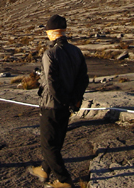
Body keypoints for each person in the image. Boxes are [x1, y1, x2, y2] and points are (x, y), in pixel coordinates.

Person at [28, 15, 89, 188]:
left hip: (51, 105)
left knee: (48, 145)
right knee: (57, 140)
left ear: (53, 33)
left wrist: (65, 101)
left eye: (47, 31)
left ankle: (63, 180)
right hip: (67, 106)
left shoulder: (50, 54)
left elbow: (52, 84)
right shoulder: (76, 51)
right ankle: (45, 169)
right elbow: (83, 79)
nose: (46, 33)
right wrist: (75, 101)